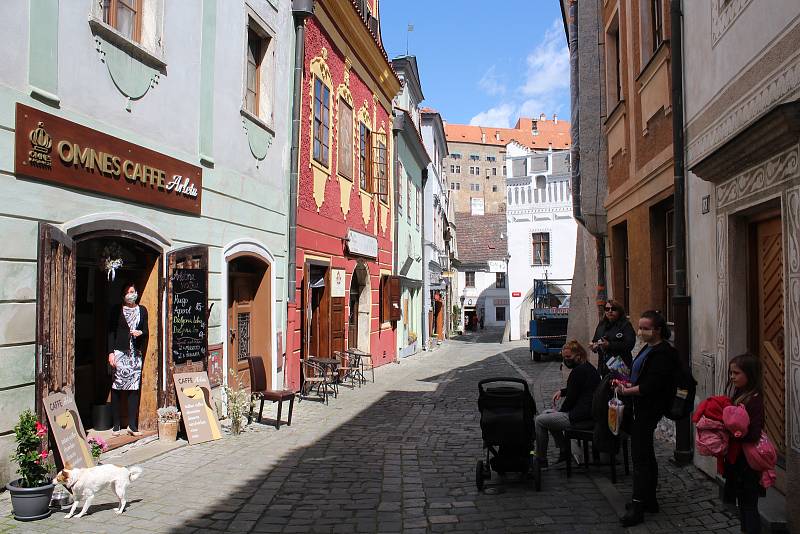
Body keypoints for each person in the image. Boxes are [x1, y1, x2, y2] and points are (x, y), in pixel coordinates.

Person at [614, 310, 677, 527]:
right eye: (640, 328)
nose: (641, 332)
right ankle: (649, 500)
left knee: (640, 459)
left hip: (648, 409)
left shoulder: (663, 352)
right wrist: (628, 384)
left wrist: (626, 392)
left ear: (657, 330)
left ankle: (638, 506)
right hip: (641, 407)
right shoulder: (649, 348)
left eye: (645, 328)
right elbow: (640, 376)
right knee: (646, 456)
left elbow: (651, 386)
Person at [534, 340, 600, 468]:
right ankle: (564, 450)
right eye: (564, 357)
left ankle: (541, 458)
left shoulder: (578, 371)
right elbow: (576, 389)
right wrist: (562, 391)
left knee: (540, 420)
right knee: (546, 414)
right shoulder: (586, 367)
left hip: (581, 416)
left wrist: (559, 412)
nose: (566, 360)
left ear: (578, 355)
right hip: (586, 412)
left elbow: (570, 400)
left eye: (569, 357)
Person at [723, 353, 765, 534]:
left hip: (748, 464)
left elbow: (754, 433)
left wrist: (732, 435)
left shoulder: (754, 400)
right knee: (742, 504)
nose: (732, 377)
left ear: (750, 374)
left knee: (749, 506)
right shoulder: (740, 394)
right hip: (738, 460)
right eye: (731, 373)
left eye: (736, 373)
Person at [107, 282, 148, 437]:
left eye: (134, 291)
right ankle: (116, 425)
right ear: (123, 295)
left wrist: (140, 333)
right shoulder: (116, 310)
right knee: (117, 387)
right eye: (129, 292)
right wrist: (110, 353)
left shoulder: (142, 310)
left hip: (135, 354)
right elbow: (111, 332)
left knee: (133, 388)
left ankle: (132, 425)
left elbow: (146, 330)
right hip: (119, 353)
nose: (132, 294)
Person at [591, 299, 636, 376]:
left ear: (619, 311)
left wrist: (609, 345)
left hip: (620, 364)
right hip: (604, 366)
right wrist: (594, 346)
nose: (610, 311)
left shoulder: (625, 325)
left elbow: (629, 345)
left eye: (613, 309)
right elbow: (595, 340)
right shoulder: (601, 325)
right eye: (607, 309)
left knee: (621, 385)